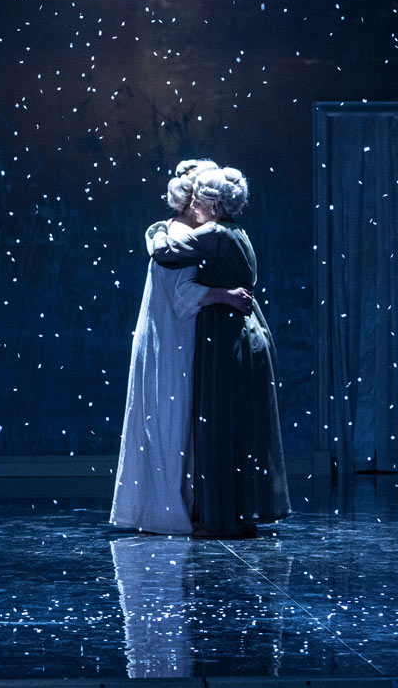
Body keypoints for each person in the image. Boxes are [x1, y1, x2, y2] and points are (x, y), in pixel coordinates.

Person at [110, 159, 253, 535]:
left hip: (172, 336)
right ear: (195, 202)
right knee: (171, 422)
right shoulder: (182, 236)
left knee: (170, 420)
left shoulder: (178, 233)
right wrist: (224, 294)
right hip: (172, 338)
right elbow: (182, 295)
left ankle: (173, 506)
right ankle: (169, 510)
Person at [152, 166, 290, 538]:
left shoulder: (215, 234)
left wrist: (160, 228)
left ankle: (222, 519)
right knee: (240, 425)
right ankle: (240, 514)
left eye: (198, 201)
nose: (193, 207)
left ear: (214, 206)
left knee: (219, 424)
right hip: (246, 330)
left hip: (227, 334)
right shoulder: (238, 233)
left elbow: (165, 253)